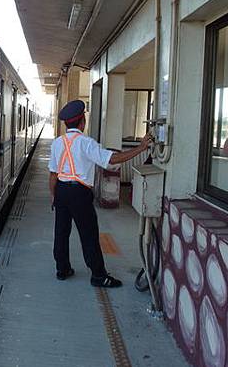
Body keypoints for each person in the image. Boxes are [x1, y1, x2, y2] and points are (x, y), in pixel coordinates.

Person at [49, 100, 152, 288]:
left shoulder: (57, 143)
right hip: (80, 193)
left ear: (67, 124)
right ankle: (98, 276)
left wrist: (54, 196)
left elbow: (53, 174)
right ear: (83, 121)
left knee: (61, 232)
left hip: (61, 190)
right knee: (88, 234)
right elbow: (112, 159)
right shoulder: (86, 143)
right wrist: (141, 148)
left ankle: (62, 269)